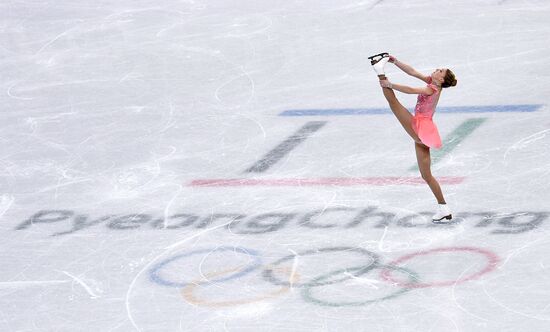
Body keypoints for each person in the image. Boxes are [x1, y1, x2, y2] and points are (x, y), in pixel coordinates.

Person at [368, 52, 457, 223]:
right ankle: (444, 208)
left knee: (394, 104)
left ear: (441, 80)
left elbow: (412, 90)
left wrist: (389, 83)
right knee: (426, 175)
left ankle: (379, 71)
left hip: (420, 126)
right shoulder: (432, 82)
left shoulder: (432, 88)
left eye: (440, 71)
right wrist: (394, 60)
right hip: (424, 131)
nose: (436, 70)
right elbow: (412, 72)